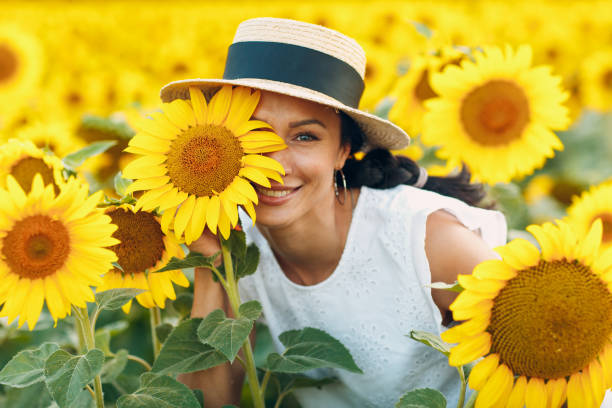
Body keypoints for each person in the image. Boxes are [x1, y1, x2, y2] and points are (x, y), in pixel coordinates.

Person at [162, 17, 507, 408]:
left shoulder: (427, 242)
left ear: (343, 151)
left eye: (304, 136)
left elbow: (549, 363)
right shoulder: (239, 247)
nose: (274, 164)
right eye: (252, 134)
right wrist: (212, 265)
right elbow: (209, 402)